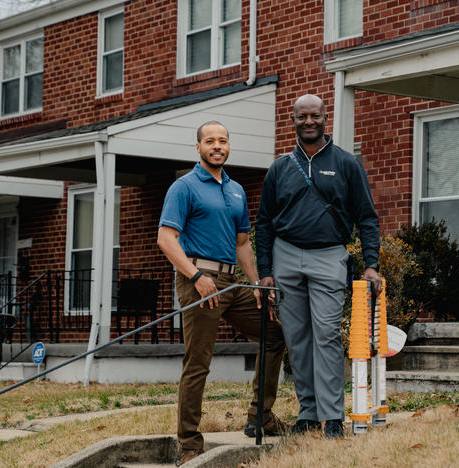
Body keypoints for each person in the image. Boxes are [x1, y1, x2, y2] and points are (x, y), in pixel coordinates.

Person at [158, 121, 286, 466]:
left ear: (229, 146)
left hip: (232, 284)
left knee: (274, 334)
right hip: (199, 281)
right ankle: (188, 441)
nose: (217, 146)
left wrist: (257, 283)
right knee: (198, 361)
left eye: (223, 140)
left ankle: (260, 415)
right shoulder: (183, 187)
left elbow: (243, 243)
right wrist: (196, 275)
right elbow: (166, 239)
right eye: (210, 141)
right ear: (198, 147)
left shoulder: (236, 190)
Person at [255, 94, 381, 439]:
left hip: (329, 256)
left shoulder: (346, 163)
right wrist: (265, 270)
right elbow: (263, 224)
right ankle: (308, 413)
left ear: (326, 118)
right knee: (297, 339)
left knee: (325, 334)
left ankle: (332, 416)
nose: (308, 122)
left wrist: (372, 264)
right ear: (292, 120)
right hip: (285, 256)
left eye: (315, 116)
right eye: (301, 117)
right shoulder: (280, 168)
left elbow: (367, 218)